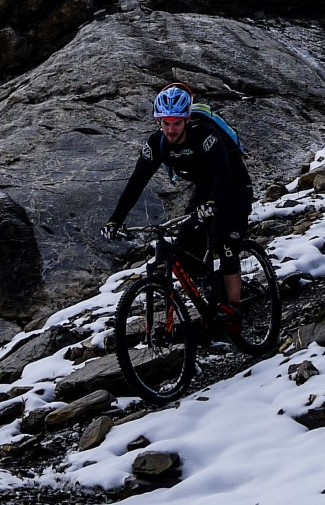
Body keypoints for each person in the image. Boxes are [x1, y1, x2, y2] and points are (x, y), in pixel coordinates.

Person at [103, 84, 254, 329]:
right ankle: (211, 288)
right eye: (166, 123)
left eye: (176, 123)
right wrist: (115, 220)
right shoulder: (157, 144)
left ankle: (234, 309)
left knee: (224, 241)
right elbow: (136, 183)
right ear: (159, 122)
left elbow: (223, 172)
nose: (171, 130)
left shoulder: (204, 135)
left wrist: (213, 203)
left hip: (233, 185)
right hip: (205, 189)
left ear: (186, 120)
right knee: (185, 245)